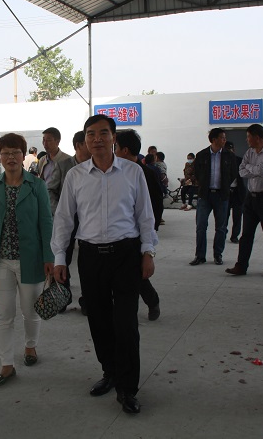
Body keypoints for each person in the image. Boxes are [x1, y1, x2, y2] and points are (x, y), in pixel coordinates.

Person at [51, 115, 157, 415]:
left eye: (103, 133)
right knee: (98, 320)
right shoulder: (75, 176)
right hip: (91, 256)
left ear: (113, 138)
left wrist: (148, 252)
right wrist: (60, 257)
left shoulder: (133, 172)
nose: (96, 139)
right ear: (85, 139)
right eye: (90, 134)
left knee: (126, 324)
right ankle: (110, 372)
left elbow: (145, 215)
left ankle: (128, 388)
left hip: (126, 255)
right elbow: (64, 219)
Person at [0, 133, 54, 387]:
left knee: (30, 310)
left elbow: (46, 222)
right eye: (5, 153)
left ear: (24, 156)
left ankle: (30, 346)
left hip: (30, 259)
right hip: (0, 260)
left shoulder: (36, 185)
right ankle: (6, 364)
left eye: (15, 152)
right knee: (4, 314)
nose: (10, 157)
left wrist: (49, 256)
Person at [116, 129, 162, 321]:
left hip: (138, 234)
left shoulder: (143, 173)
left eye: (116, 148)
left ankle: (152, 301)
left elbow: (155, 204)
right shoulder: (116, 172)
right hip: (122, 235)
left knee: (138, 274)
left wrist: (150, 234)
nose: (114, 152)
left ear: (125, 150)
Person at [225, 124, 263, 277]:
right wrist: (257, 170)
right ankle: (241, 266)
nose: (247, 140)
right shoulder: (249, 152)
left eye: (248, 137)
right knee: (246, 235)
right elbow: (242, 171)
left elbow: (262, 170)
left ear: (257, 137)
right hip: (251, 197)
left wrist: (253, 169)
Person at [46, 130, 91, 310]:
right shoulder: (64, 165)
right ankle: (61, 299)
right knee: (62, 255)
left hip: (89, 219)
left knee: (87, 261)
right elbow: (50, 189)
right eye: (88, 141)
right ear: (78, 145)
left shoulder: (96, 165)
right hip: (67, 219)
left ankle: (88, 300)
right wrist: (60, 210)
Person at [189, 128, 239, 266]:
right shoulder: (202, 155)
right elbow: (197, 173)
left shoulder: (229, 156)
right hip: (205, 195)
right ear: (214, 139)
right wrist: (203, 184)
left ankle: (218, 255)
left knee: (221, 227)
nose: (224, 140)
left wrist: (225, 185)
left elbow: (233, 173)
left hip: (221, 196)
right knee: (201, 226)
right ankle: (200, 256)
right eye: (222, 138)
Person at [225, 141, 246, 243]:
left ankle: (234, 236)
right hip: (226, 192)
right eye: (227, 150)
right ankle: (222, 233)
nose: (230, 152)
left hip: (238, 191)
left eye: (231, 149)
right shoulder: (221, 160)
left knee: (237, 216)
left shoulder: (240, 160)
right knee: (224, 215)